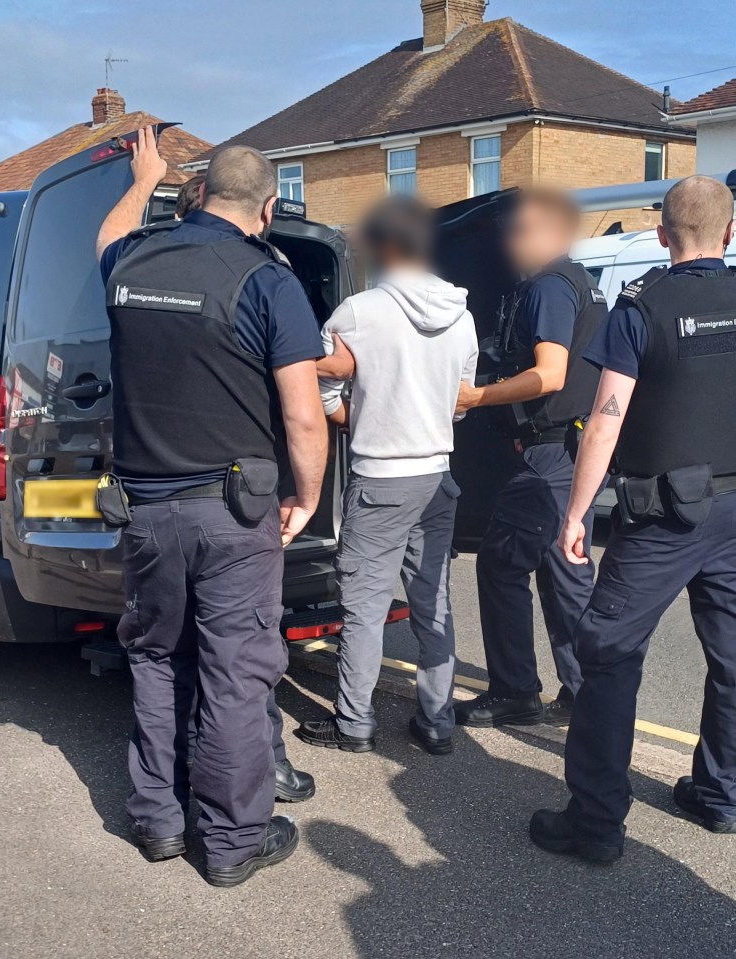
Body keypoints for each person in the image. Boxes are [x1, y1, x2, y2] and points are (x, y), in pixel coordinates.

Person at [96, 128, 327, 886]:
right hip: (233, 512)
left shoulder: (134, 259)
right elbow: (302, 413)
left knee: (156, 657)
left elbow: (110, 232)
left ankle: (158, 822)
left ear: (195, 196)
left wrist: (142, 178)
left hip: (143, 510)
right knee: (235, 671)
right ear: (266, 208)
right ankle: (231, 844)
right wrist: (308, 494)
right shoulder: (267, 280)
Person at [531, 175, 736, 863]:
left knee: (607, 654)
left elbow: (604, 421)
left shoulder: (640, 306)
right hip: (734, 512)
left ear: (660, 235)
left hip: (660, 515)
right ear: (729, 234)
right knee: (733, 658)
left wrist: (575, 514)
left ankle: (592, 824)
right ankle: (720, 793)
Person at [296, 195, 479, 756]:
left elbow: (320, 388)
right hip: (438, 474)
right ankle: (436, 721)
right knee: (433, 602)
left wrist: (362, 414)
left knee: (365, 605)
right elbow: (460, 403)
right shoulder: (462, 314)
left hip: (380, 479)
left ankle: (354, 724)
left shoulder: (358, 312)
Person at [454, 189, 607, 728]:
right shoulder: (580, 281)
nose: (509, 244)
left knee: (500, 564)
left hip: (552, 454)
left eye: (519, 232)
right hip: (573, 448)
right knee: (564, 572)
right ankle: (586, 694)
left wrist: (477, 395)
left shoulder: (548, 288)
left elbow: (551, 374)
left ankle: (515, 691)